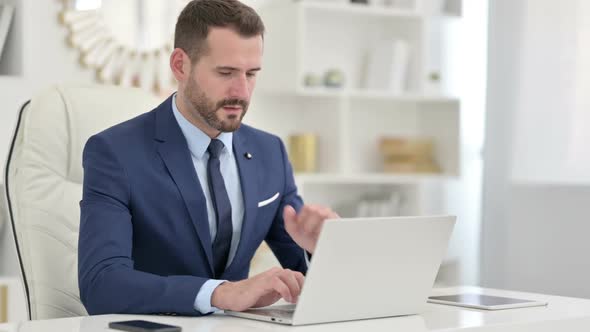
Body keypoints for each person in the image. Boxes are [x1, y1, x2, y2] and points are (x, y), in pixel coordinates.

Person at [78, 0, 338, 316]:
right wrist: (219, 294)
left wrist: (320, 248)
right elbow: (101, 285)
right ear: (180, 65)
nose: (242, 91)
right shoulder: (115, 152)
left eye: (251, 73)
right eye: (226, 72)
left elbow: (304, 275)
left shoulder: (270, 153)